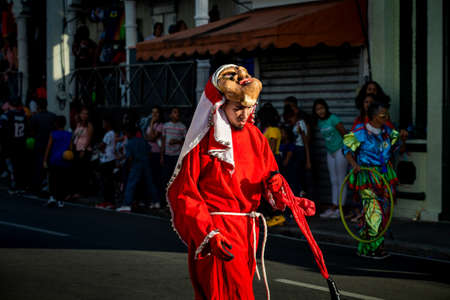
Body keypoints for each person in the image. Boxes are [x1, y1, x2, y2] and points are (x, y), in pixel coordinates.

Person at [167, 65, 338, 299]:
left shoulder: (256, 136)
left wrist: (288, 198)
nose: (244, 114)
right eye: (238, 108)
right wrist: (209, 234)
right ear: (220, 106)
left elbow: (269, 178)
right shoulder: (204, 141)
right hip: (218, 234)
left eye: (249, 108)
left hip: (247, 233)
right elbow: (185, 193)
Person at [343, 101, 401, 259]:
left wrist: (402, 137)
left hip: (384, 176)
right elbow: (346, 150)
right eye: (383, 114)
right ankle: (376, 246)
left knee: (384, 212)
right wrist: (354, 164)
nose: (386, 117)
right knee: (373, 212)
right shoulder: (360, 132)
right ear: (374, 116)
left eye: (386, 114)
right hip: (367, 176)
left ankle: (365, 247)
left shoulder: (388, 131)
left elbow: (396, 147)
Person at [312, 99, 348, 218]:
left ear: (326, 108)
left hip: (340, 151)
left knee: (341, 180)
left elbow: (344, 133)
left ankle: (341, 208)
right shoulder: (319, 122)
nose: (320, 111)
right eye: (317, 109)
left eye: (322, 108)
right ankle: (334, 206)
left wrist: (349, 151)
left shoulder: (333, 119)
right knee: (333, 180)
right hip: (330, 152)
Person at [116, 125, 159, 212]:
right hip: (146, 163)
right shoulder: (143, 141)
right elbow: (149, 150)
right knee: (150, 183)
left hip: (136, 163)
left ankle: (127, 204)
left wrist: (129, 166)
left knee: (131, 184)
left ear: (129, 133)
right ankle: (156, 202)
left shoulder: (130, 143)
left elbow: (129, 157)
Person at [283, 99, 312, 197]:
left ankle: (302, 194)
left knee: (300, 175)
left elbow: (306, 142)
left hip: (301, 150)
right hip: (296, 150)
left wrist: (308, 160)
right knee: (296, 176)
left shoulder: (301, 123)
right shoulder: (294, 124)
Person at [43, 116, 72, 208]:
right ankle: (60, 200)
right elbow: (71, 148)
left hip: (54, 160)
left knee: (52, 180)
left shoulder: (53, 134)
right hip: (64, 160)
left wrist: (44, 159)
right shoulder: (68, 134)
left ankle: (52, 197)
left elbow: (48, 147)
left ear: (56, 124)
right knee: (61, 181)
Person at [29, 99, 56, 195]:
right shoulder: (53, 116)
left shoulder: (35, 117)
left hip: (39, 143)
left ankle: (38, 185)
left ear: (38, 107)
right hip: (50, 143)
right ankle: (47, 185)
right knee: (49, 165)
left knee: (38, 165)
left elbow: (31, 131)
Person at [4, 97, 27, 193]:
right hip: (21, 143)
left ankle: (14, 186)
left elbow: (3, 130)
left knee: (11, 166)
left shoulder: (7, 115)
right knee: (20, 165)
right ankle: (21, 186)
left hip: (11, 143)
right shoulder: (24, 115)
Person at [71, 106, 94, 199]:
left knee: (83, 172)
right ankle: (76, 191)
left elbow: (89, 139)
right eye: (83, 113)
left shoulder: (89, 125)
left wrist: (84, 149)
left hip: (84, 150)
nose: (84, 115)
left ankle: (83, 191)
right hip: (76, 149)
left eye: (86, 114)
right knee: (76, 171)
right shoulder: (78, 124)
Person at [161, 107, 186, 188]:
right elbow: (163, 142)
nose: (177, 114)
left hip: (177, 156)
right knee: (166, 176)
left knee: (176, 176)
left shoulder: (182, 127)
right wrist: (162, 156)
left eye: (178, 112)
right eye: (175, 112)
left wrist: (177, 141)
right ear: (170, 115)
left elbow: (185, 143)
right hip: (167, 155)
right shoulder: (166, 126)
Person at [96, 116, 116, 209]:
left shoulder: (109, 134)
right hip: (109, 159)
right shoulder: (112, 133)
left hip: (107, 160)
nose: (103, 124)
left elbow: (102, 146)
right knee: (108, 181)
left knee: (106, 182)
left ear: (108, 123)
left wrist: (99, 147)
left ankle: (107, 202)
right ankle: (109, 201)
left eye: (104, 123)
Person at [145, 106, 164, 208]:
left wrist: (152, 124)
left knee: (157, 178)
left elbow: (152, 137)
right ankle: (153, 200)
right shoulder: (150, 126)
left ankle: (158, 200)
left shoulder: (160, 126)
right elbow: (147, 137)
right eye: (153, 112)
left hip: (157, 153)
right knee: (151, 178)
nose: (154, 115)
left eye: (156, 113)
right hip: (150, 153)